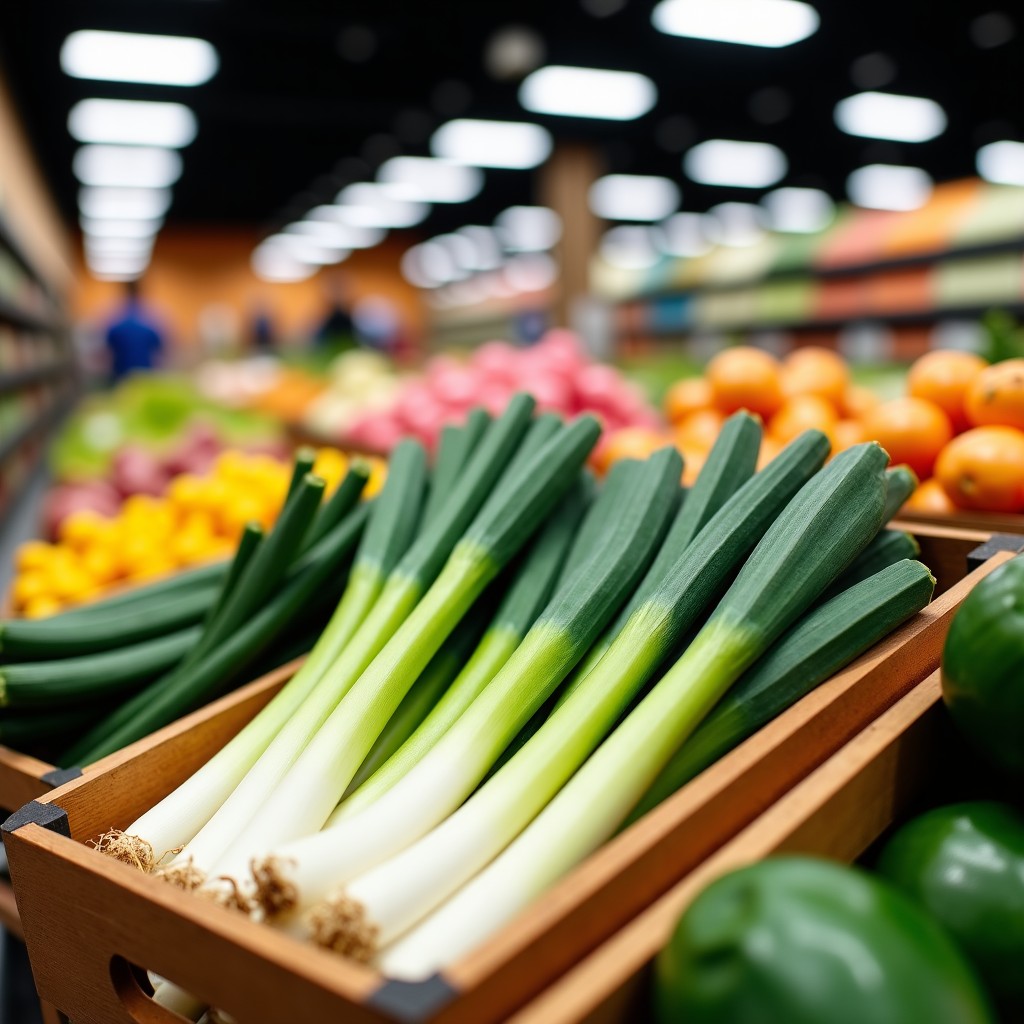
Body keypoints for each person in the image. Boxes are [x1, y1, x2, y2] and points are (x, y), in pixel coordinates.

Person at [104, 280, 165, 382]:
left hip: (121, 376)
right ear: (141, 291)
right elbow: (160, 347)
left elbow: (107, 347)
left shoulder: (114, 319)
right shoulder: (151, 320)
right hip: (145, 375)